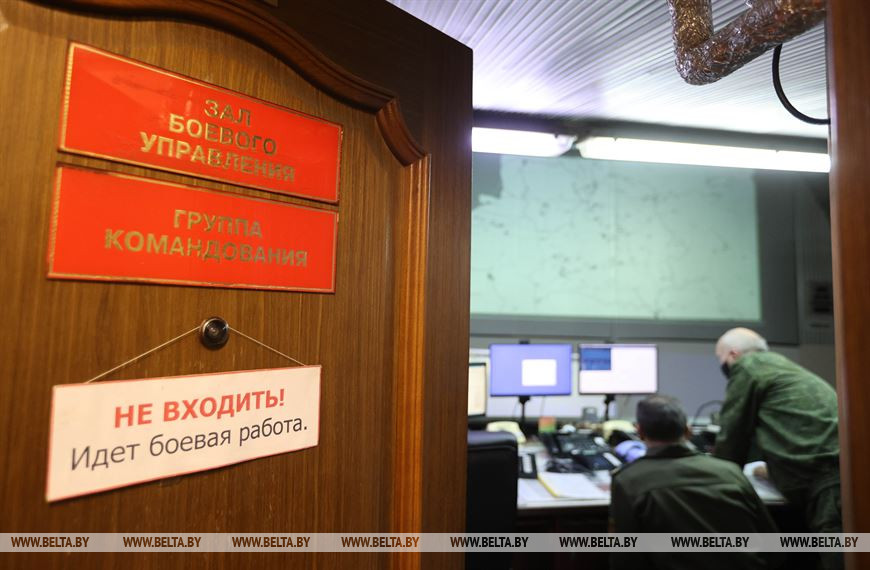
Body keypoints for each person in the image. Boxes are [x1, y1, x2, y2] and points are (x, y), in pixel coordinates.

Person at [714, 327, 842, 569]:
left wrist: (712, 479)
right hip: (834, 470)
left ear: (733, 354)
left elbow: (732, 436)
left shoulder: (748, 366)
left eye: (720, 359)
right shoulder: (782, 368)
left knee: (837, 555)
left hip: (826, 481)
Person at [610, 395, 780, 570]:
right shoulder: (731, 472)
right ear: (688, 431)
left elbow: (627, 557)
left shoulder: (629, 481)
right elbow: (772, 544)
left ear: (640, 432)